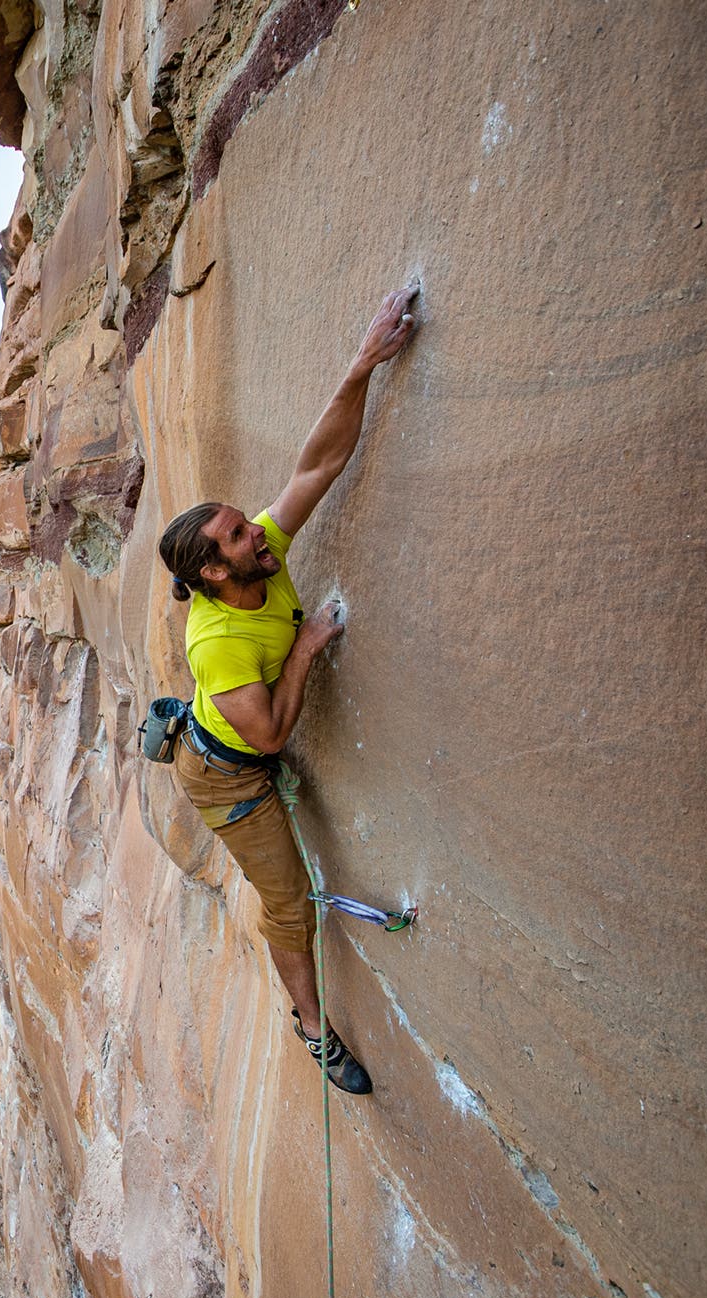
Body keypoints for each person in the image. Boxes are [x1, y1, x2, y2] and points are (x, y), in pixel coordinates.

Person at [156, 286, 418, 1095]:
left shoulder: (254, 557)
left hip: (232, 740)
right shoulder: (219, 640)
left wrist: (363, 362)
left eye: (246, 523)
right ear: (212, 572)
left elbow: (319, 463)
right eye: (238, 536)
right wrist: (306, 648)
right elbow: (268, 736)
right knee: (290, 906)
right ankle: (312, 1029)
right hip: (229, 779)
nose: (260, 535)